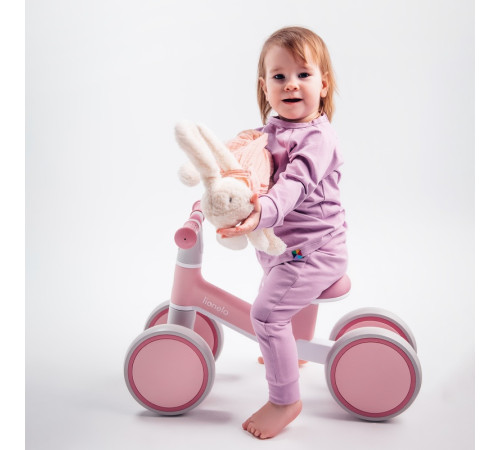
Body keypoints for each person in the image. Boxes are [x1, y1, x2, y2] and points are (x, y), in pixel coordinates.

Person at [218, 26, 348, 439]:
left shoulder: (318, 139)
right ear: (265, 87)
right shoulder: (267, 133)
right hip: (289, 249)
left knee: (265, 314)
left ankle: (284, 400)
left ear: (323, 84)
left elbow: (294, 185)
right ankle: (296, 349)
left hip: (315, 252)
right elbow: (239, 166)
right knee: (277, 295)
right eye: (279, 76)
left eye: (303, 74)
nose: (291, 84)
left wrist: (263, 211)